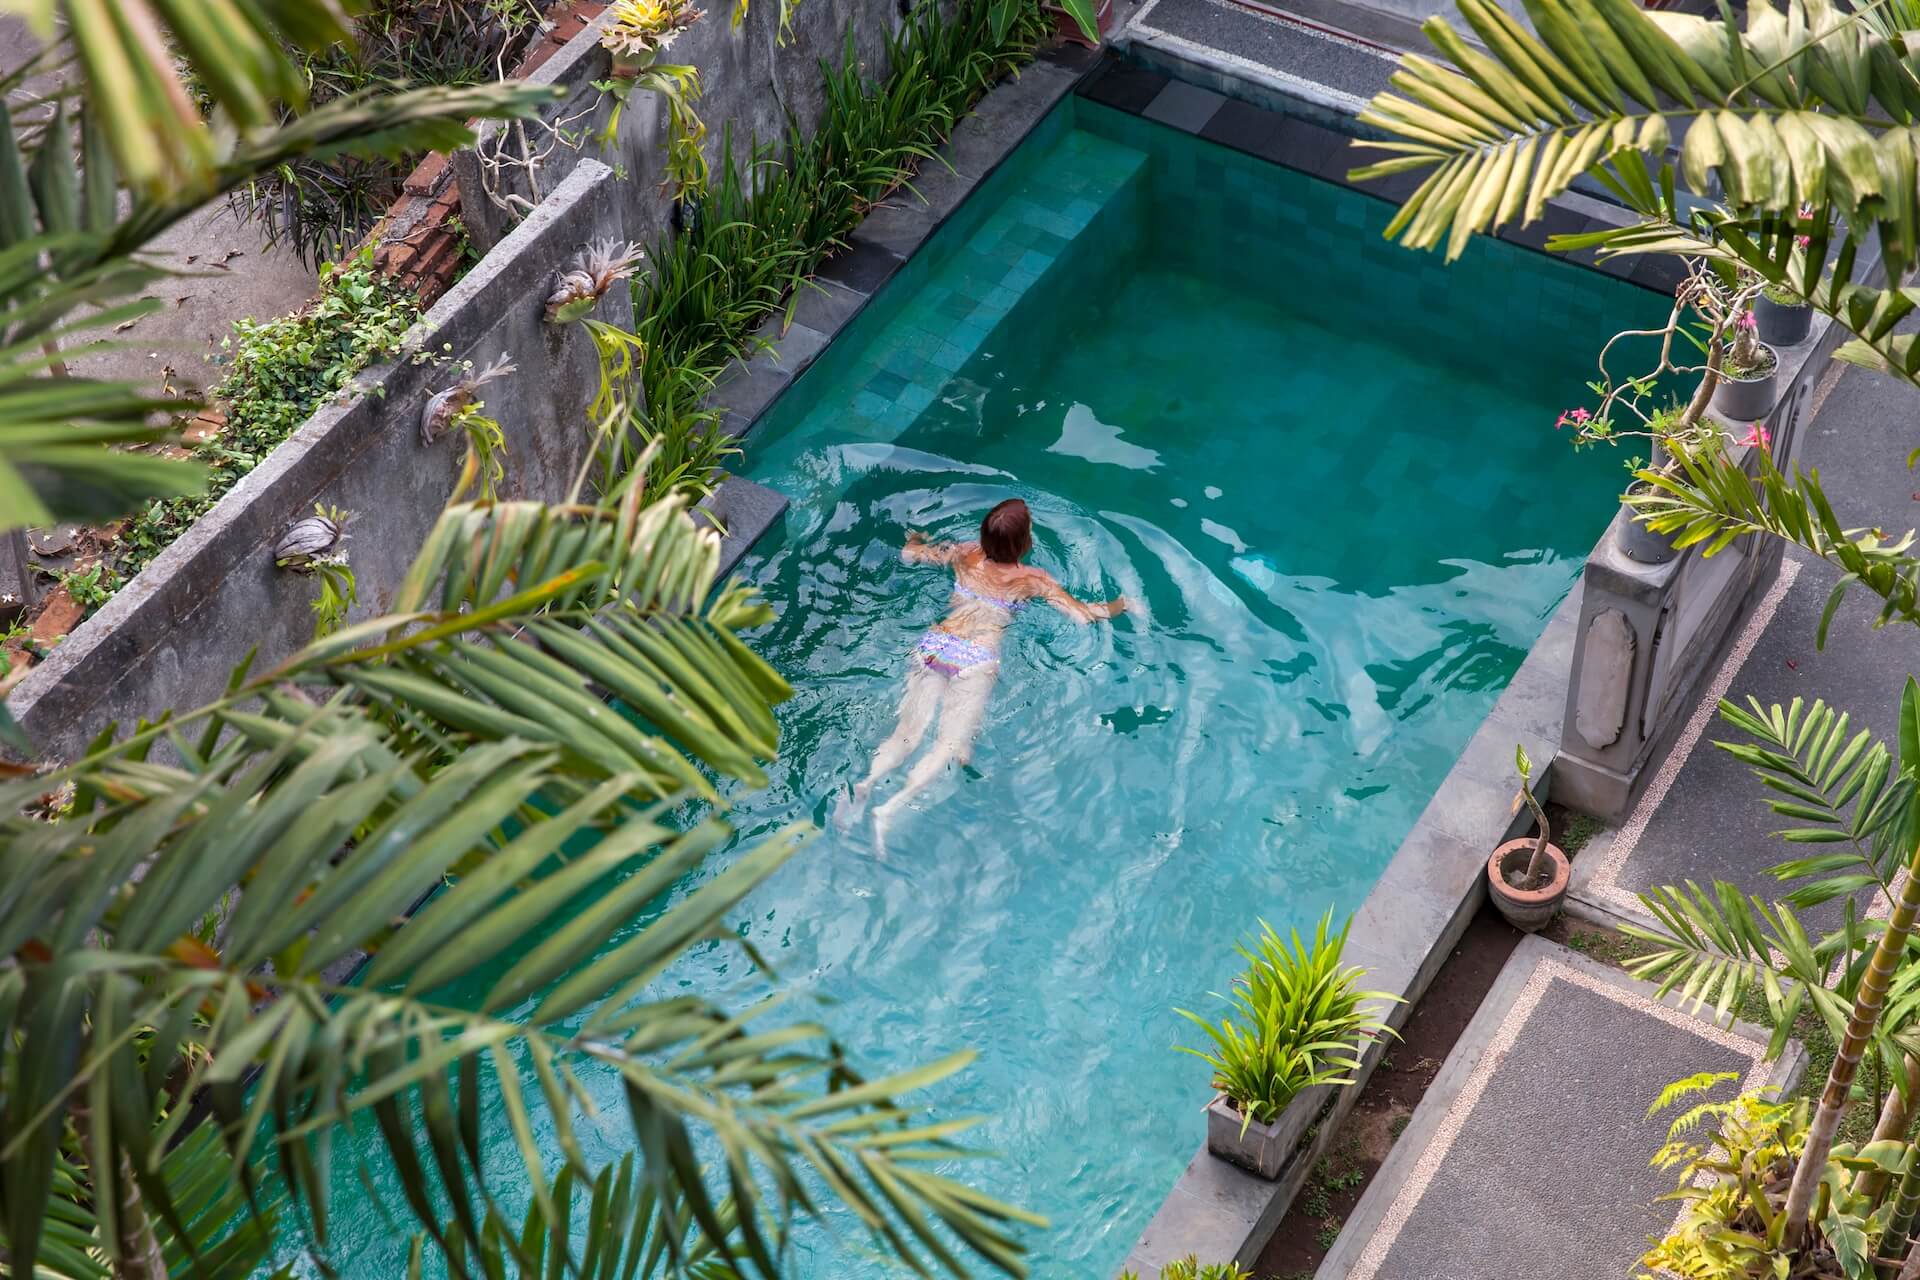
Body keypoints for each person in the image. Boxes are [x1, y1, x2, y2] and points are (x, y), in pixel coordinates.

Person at [838, 497, 1126, 847]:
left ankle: (867, 782)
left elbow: (910, 556)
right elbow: (1083, 616)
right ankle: (891, 808)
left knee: (908, 730)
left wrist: (914, 538)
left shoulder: (966, 553)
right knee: (949, 744)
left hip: (936, 643)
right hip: (975, 659)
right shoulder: (1034, 579)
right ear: (1026, 543)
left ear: (983, 536)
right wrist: (1124, 604)